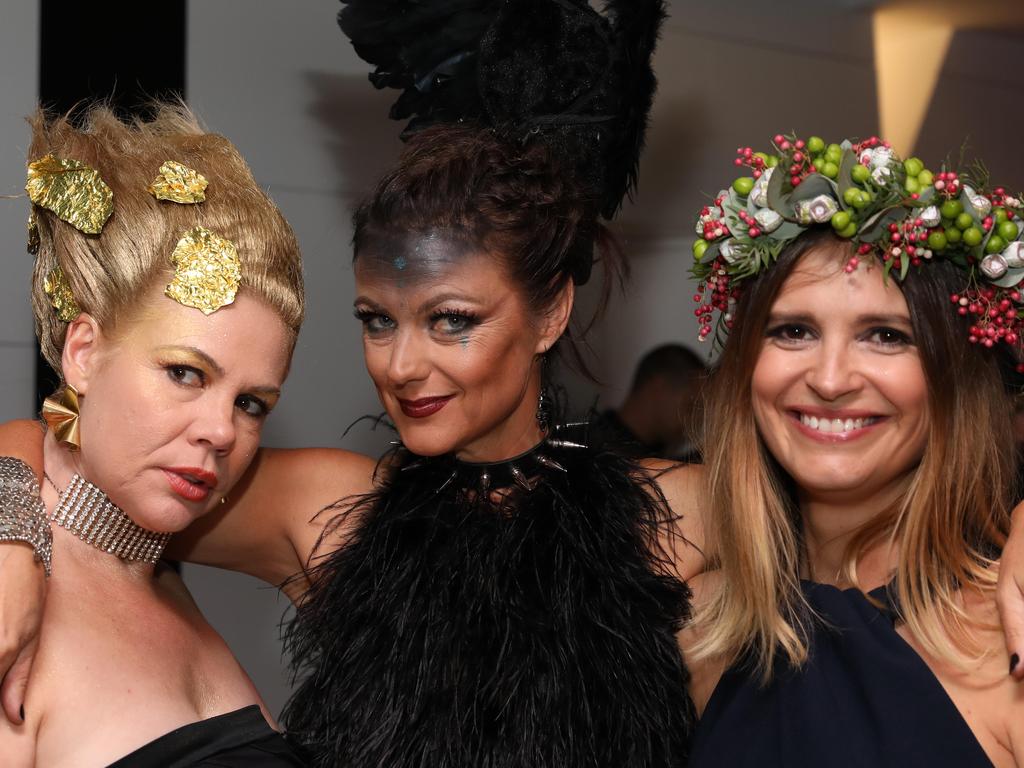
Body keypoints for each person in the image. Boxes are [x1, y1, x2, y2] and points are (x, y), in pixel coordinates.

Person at [1, 2, 704, 767]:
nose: (400, 366)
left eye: (451, 320)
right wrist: (11, 536)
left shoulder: (676, 512)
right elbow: (70, 450)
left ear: (550, 314)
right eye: (377, 321)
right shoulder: (328, 511)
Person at [678, 135, 1024, 765]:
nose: (831, 379)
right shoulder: (701, 628)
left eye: (887, 336)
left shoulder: (1008, 643)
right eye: (793, 330)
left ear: (954, 381)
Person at [0, 105, 306, 766]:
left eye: (252, 402)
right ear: (83, 352)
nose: (222, 431)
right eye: (185, 373)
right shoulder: (9, 596)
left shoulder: (154, 561)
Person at [589, 343, 707, 460]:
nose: (693, 422)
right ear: (659, 388)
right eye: (689, 407)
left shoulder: (659, 451)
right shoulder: (597, 452)